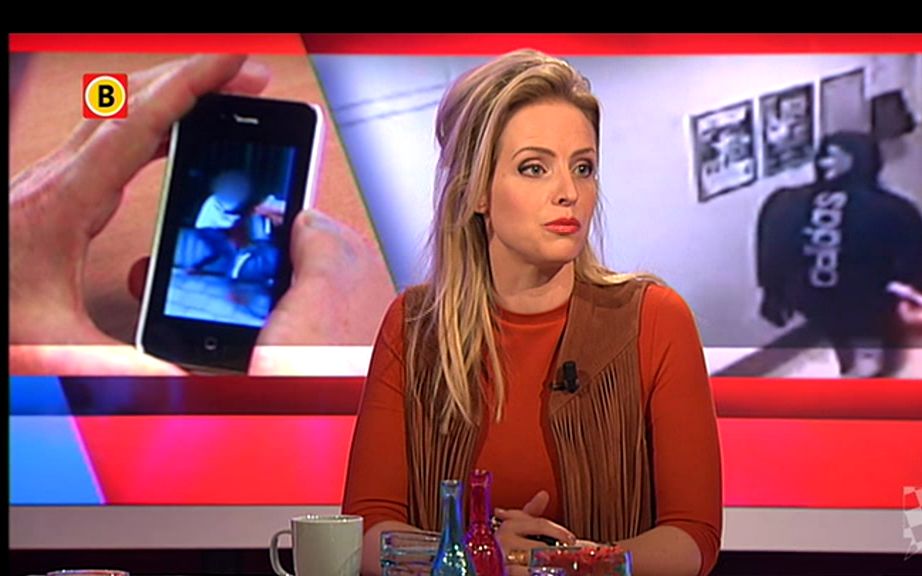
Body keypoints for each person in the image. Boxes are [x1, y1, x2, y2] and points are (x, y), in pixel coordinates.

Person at [341, 50, 722, 576]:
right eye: (534, 168)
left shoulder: (655, 319)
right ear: (476, 190)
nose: (569, 193)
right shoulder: (414, 327)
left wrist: (563, 564)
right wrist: (480, 555)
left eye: (583, 168)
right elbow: (366, 531)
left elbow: (692, 538)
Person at [9, 54, 391, 376]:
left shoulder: (247, 208)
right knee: (213, 247)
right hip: (210, 238)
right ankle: (222, 267)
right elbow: (214, 226)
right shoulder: (215, 206)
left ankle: (232, 266)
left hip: (231, 248)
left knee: (245, 249)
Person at [756, 131, 922, 377]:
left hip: (810, 297)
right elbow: (913, 264)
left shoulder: (782, 201)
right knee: (876, 355)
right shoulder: (893, 208)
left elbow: (771, 250)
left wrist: (773, 294)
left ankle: (854, 370)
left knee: (844, 338)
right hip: (869, 301)